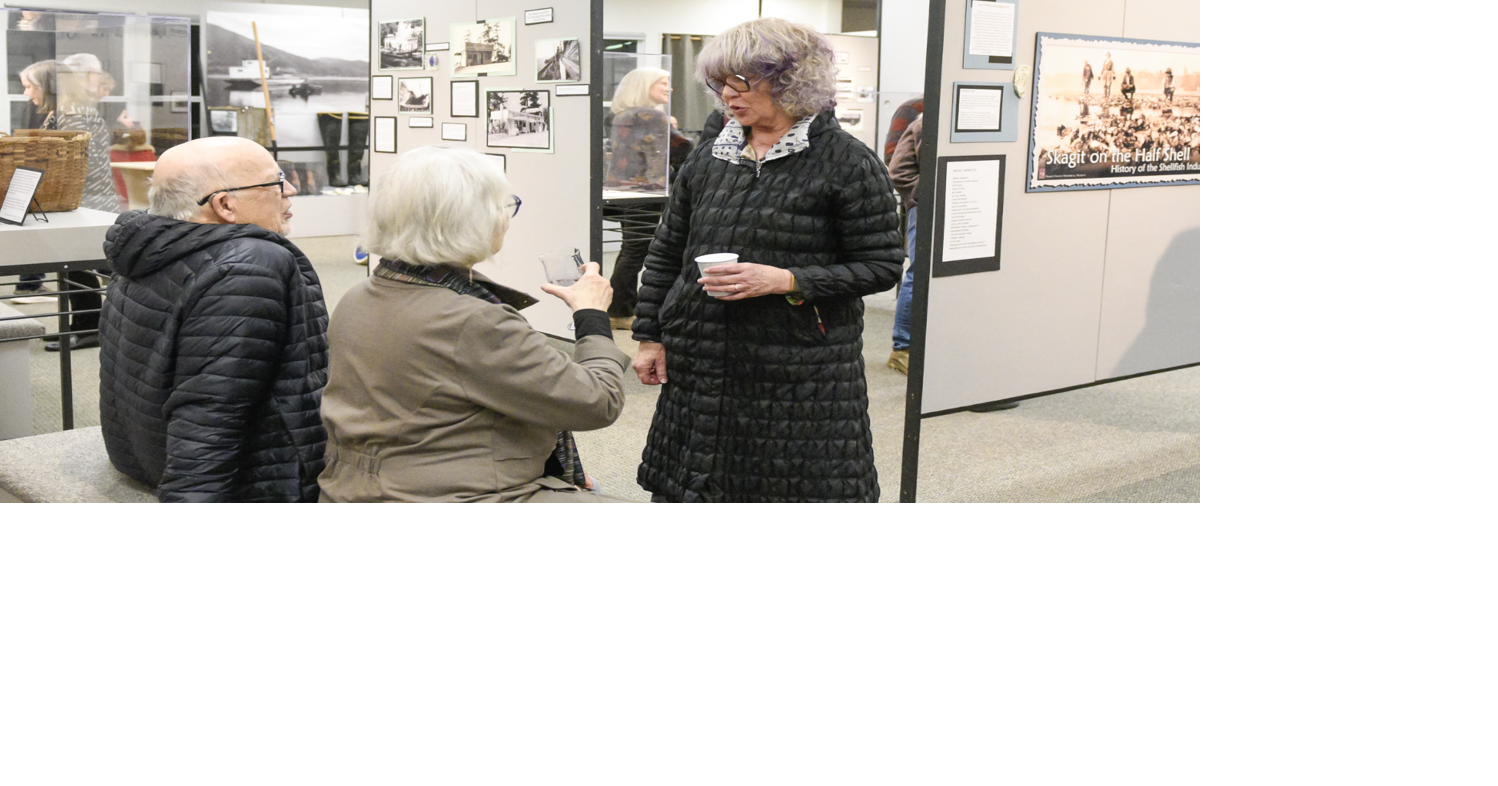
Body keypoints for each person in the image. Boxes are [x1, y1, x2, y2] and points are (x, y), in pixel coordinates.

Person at [631, 17, 905, 503]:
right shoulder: (712, 155)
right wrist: (650, 336)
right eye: (719, 83)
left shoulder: (848, 163)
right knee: (693, 484)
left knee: (787, 486)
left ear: (790, 80)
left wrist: (787, 279)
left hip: (798, 370)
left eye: (742, 81)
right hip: (701, 358)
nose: (727, 95)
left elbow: (882, 266)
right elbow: (668, 250)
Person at [318, 146, 631, 503]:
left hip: (358, 485)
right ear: (470, 220)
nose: (507, 218)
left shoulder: (358, 297)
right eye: (504, 206)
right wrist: (592, 315)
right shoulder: (472, 319)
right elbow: (597, 401)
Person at [97, 136, 329, 503]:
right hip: (257, 480)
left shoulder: (149, 243)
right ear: (225, 204)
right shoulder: (248, 263)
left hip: (141, 454)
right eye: (275, 181)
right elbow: (212, 410)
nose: (291, 189)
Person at [17, 59, 113, 346]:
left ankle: (89, 327)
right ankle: (86, 326)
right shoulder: (69, 112)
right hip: (82, 203)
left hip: (84, 204)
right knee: (79, 269)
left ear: (47, 86)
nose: (26, 94)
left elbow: (72, 165)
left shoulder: (73, 115)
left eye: (29, 86)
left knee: (80, 268)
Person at [604, 67, 694, 330]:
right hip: (647, 190)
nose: (669, 87)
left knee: (630, 251)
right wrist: (673, 128)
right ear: (645, 85)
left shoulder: (622, 114)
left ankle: (618, 308)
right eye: (663, 83)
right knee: (636, 252)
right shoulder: (652, 115)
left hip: (624, 189)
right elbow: (683, 150)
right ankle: (620, 311)